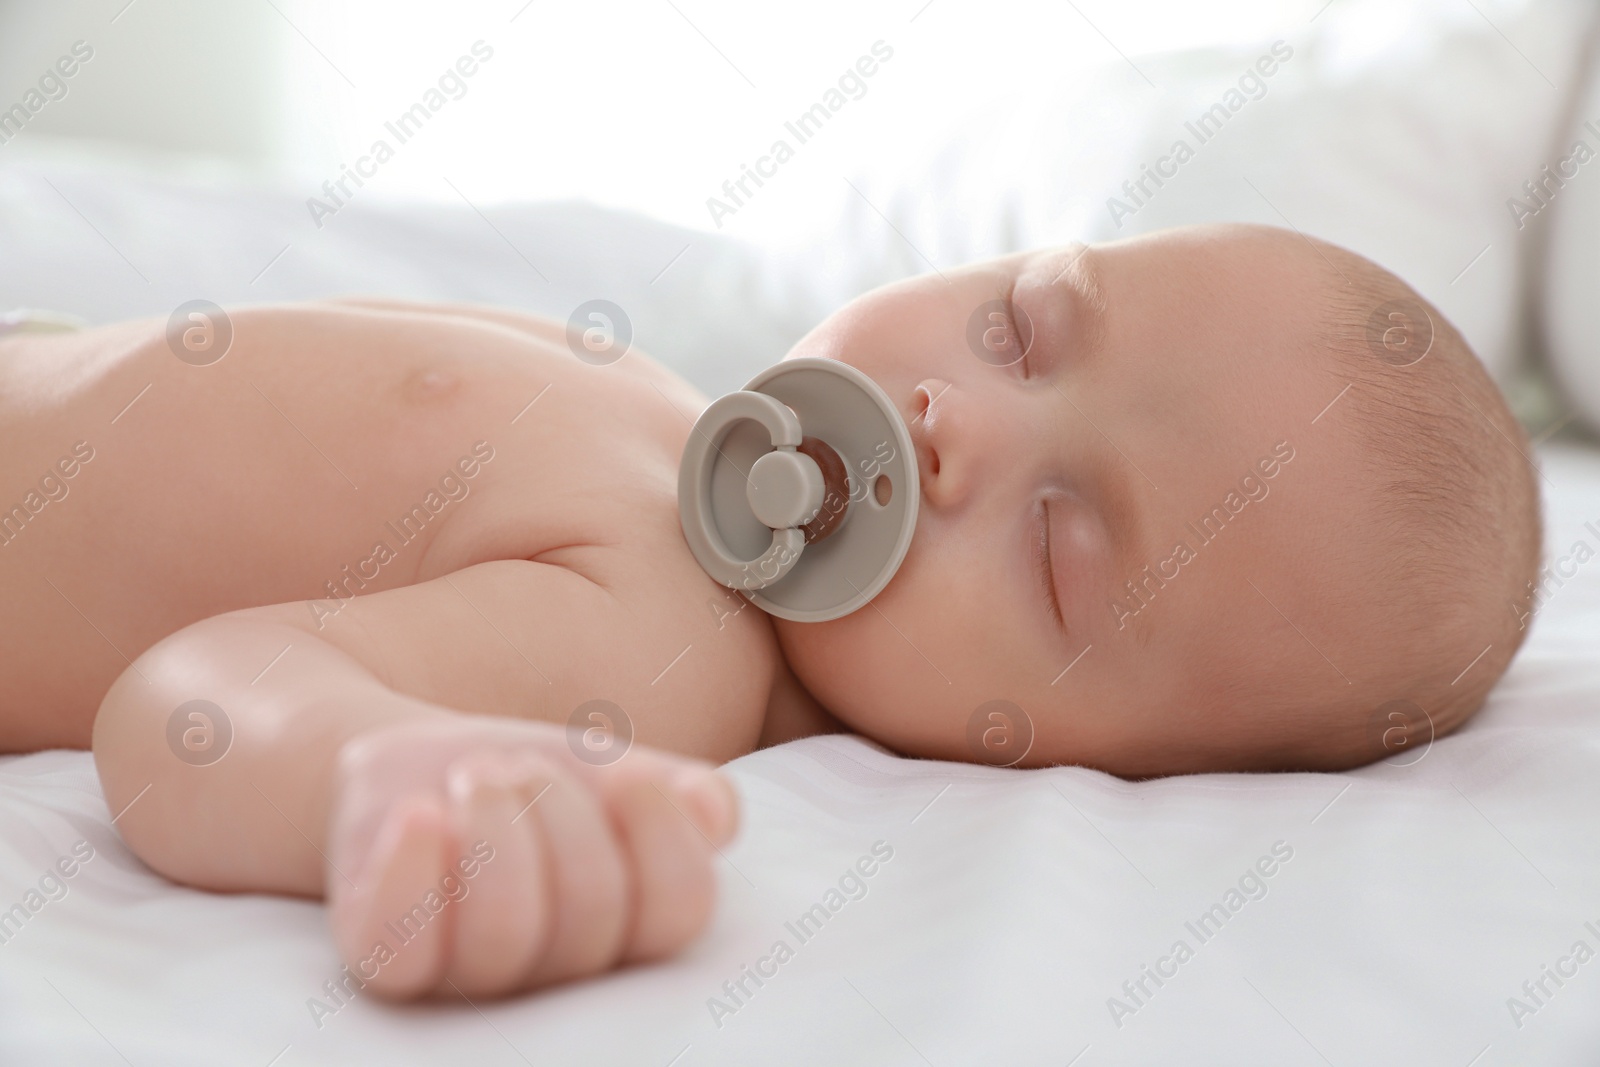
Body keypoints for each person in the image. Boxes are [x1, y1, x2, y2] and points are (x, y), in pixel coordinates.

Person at [0, 222, 1538, 1000]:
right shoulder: (674, 418)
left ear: (1075, 759)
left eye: (1061, 545)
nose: (953, 423)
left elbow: (187, 700)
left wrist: (368, 768)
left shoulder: (655, 647)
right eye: (1019, 323)